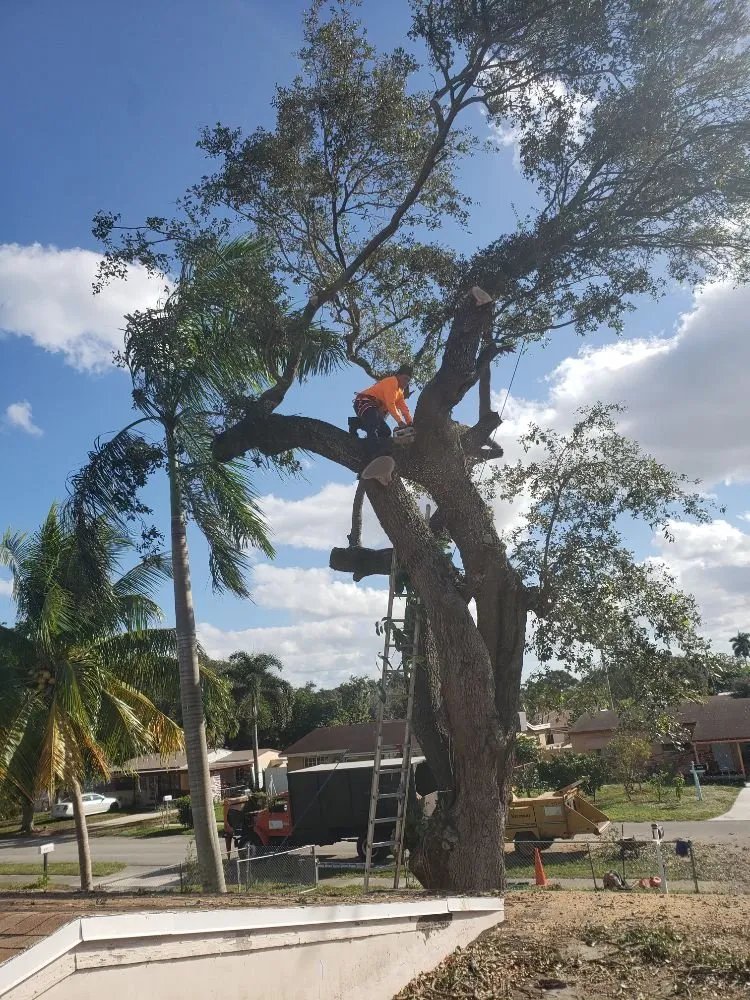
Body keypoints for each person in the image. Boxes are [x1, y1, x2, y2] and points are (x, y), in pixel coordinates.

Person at [350, 364, 413, 460]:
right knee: (373, 423)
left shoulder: (400, 393)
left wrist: (410, 423)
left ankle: (355, 423)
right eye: (405, 378)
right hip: (363, 402)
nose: (406, 382)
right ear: (398, 375)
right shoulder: (391, 382)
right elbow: (390, 404)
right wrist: (400, 422)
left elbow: (404, 409)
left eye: (408, 380)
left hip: (373, 409)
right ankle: (374, 452)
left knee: (385, 432)